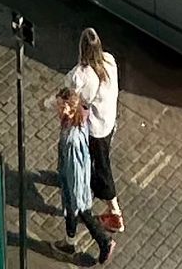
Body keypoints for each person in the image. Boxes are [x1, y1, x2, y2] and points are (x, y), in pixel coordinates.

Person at [67, 29, 121, 231]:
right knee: (102, 159)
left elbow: (77, 97)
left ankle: (114, 211)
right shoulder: (109, 60)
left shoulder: (82, 75)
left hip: (95, 129)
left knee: (101, 167)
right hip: (109, 121)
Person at [54, 88, 112, 263]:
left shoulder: (71, 138)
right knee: (73, 210)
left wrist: (75, 192)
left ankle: (104, 241)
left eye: (60, 106)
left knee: (80, 209)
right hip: (76, 177)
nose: (57, 109)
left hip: (74, 181)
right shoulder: (78, 121)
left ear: (70, 109)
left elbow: (74, 168)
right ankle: (70, 243)